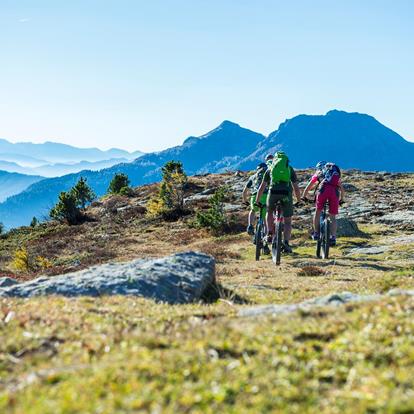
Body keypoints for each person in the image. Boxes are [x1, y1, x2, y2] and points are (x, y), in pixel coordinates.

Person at [255, 151, 301, 253]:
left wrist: (257, 201)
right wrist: (298, 201)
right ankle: (286, 243)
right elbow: (296, 188)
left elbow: (261, 187)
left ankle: (269, 233)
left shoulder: (270, 169)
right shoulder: (289, 169)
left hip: (273, 193)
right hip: (286, 194)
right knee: (288, 221)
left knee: (269, 211)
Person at [302, 161, 345, 246]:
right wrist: (342, 199)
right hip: (334, 192)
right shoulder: (332, 174)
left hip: (323, 190)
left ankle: (316, 233)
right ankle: (333, 237)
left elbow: (308, 187)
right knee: (332, 216)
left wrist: (304, 196)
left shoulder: (319, 173)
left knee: (318, 212)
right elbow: (342, 189)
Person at [242, 162, 269, 236]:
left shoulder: (252, 177)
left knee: (253, 210)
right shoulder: (268, 176)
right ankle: (266, 236)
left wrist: (245, 201)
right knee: (265, 218)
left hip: (255, 196)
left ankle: (250, 225)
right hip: (265, 196)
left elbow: (244, 191)